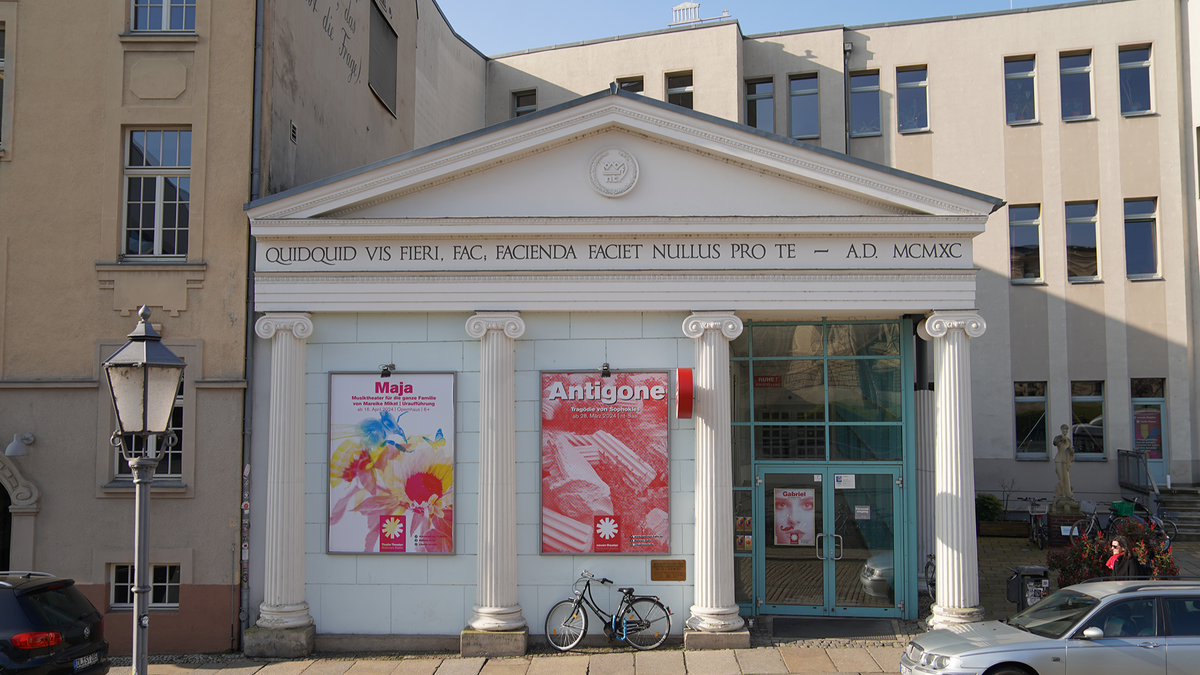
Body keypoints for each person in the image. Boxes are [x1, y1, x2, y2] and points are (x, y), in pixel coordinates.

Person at [1052, 424, 1075, 502]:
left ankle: (1068, 494)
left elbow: (1070, 450)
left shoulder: (1069, 440)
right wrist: (1061, 439)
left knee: (1067, 477)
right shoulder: (1058, 437)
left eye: (1067, 430)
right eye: (1064, 429)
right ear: (1061, 430)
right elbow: (1055, 443)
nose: (1066, 431)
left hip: (1066, 459)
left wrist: (1072, 452)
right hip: (1059, 458)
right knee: (1061, 477)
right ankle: (1062, 494)